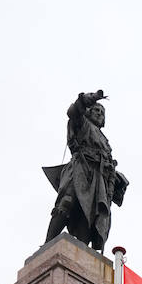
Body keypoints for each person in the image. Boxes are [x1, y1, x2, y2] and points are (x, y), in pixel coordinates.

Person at [44, 90, 128, 252]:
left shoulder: (105, 140)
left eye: (102, 112)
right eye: (96, 110)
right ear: (88, 111)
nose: (99, 113)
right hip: (80, 168)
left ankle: (83, 252)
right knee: (67, 201)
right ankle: (47, 244)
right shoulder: (82, 124)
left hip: (98, 178)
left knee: (88, 214)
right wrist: (90, 98)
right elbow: (73, 112)